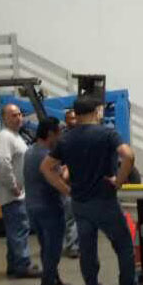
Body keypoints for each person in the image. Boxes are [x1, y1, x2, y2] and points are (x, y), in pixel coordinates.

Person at [40, 96, 143, 285]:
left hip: (80, 204)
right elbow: (128, 156)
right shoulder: (107, 134)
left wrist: (67, 190)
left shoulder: (66, 139)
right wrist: (118, 181)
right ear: (97, 111)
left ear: (77, 114)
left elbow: (46, 167)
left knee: (88, 253)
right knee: (124, 248)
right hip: (105, 202)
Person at [23, 117, 71, 285]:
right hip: (49, 208)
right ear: (50, 134)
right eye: (59, 133)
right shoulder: (47, 156)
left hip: (33, 207)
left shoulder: (30, 151)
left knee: (46, 248)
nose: (60, 137)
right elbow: (59, 179)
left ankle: (54, 281)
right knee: (53, 251)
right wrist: (68, 169)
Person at [0, 104, 40, 278]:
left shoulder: (15, 136)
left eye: (20, 114)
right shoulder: (5, 137)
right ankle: (22, 266)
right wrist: (13, 186)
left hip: (18, 193)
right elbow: (2, 163)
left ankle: (14, 265)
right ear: (4, 118)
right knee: (20, 229)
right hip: (13, 194)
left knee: (15, 230)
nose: (18, 117)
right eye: (13, 115)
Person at [61, 108, 79, 258]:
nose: (73, 121)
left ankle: (77, 244)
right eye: (70, 118)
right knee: (71, 217)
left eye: (75, 118)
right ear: (66, 121)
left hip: (82, 184)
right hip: (68, 184)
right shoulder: (63, 139)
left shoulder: (82, 135)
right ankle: (72, 246)